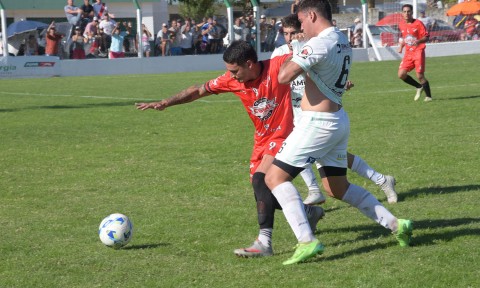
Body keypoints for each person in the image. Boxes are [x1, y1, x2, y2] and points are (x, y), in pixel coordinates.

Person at [136, 40, 324, 262]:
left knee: (261, 181)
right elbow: (197, 91)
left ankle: (264, 242)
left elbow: (314, 58)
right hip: (261, 141)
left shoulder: (277, 66)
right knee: (265, 193)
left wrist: (336, 83)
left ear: (249, 63)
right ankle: (309, 212)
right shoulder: (231, 80)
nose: (232, 76)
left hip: (283, 136)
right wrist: (166, 102)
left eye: (235, 71)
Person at [264, 0, 412, 265]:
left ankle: (307, 241)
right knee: (336, 187)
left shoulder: (319, 43)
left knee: (274, 178)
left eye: (301, 22)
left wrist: (297, 46)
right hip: (336, 119)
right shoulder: (342, 39)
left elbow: (284, 76)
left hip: (316, 122)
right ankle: (396, 224)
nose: (300, 28)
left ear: (311, 15)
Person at [271, 13, 397, 206]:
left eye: (294, 32)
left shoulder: (313, 46)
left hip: (315, 115)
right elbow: (276, 82)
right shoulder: (278, 53)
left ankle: (315, 195)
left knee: (300, 157)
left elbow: (325, 74)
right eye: (286, 34)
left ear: (302, 31)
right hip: (296, 113)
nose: (290, 38)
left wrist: (337, 85)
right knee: (309, 155)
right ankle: (380, 181)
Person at [397, 4, 433, 102]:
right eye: (404, 11)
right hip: (408, 53)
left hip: (418, 51)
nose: (406, 13)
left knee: (420, 76)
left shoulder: (418, 23)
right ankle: (418, 86)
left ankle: (428, 97)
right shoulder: (401, 24)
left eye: (408, 11)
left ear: (412, 12)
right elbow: (406, 38)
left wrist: (418, 41)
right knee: (401, 74)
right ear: (402, 13)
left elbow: (426, 37)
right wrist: (401, 46)